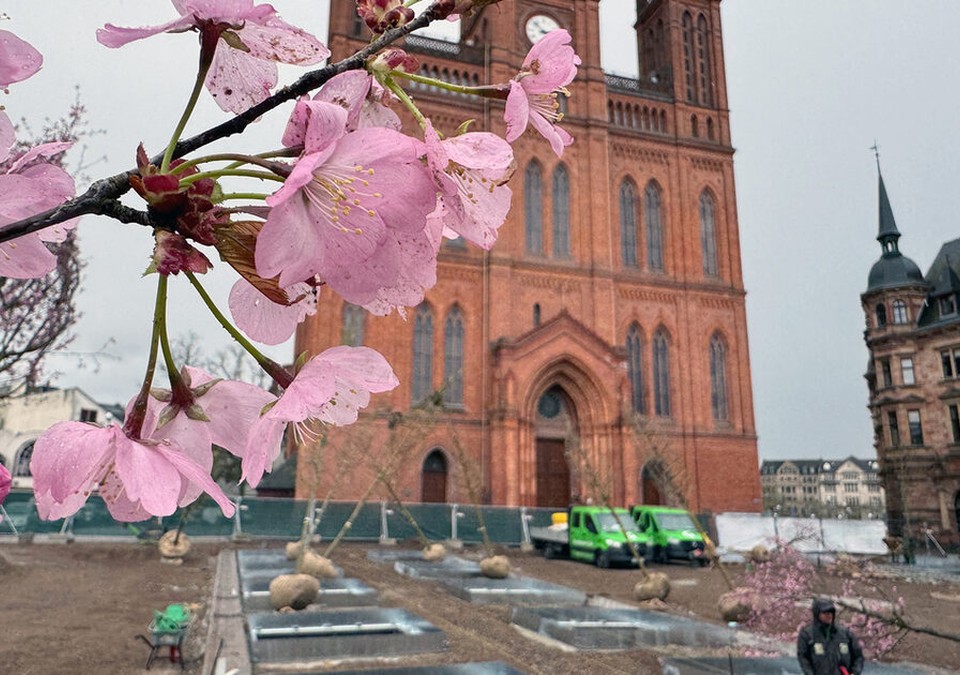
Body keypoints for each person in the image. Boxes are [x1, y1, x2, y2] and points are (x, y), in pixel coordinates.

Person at [797, 598, 864, 675]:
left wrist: (855, 672)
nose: (829, 615)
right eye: (825, 613)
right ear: (817, 614)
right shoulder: (807, 634)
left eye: (831, 612)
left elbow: (858, 656)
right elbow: (803, 658)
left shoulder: (844, 633)